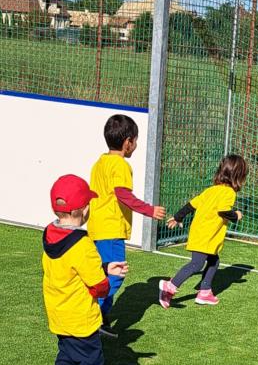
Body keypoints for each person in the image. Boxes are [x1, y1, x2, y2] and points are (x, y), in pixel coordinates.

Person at [42, 174, 128, 365]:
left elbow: (74, 267)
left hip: (58, 312)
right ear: (83, 210)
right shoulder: (83, 243)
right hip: (80, 316)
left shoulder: (50, 234)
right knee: (92, 358)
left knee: (67, 354)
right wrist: (106, 280)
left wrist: (105, 266)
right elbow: (98, 285)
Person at [87, 114, 165, 337]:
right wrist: (149, 210)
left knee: (102, 272)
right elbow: (123, 195)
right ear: (128, 142)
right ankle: (92, 317)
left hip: (96, 228)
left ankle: (99, 319)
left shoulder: (99, 163)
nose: (136, 145)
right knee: (116, 275)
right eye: (136, 141)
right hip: (111, 230)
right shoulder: (120, 165)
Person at [159, 154, 248, 308]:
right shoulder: (229, 193)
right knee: (196, 264)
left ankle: (205, 292)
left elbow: (191, 205)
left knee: (214, 261)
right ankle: (169, 286)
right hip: (206, 235)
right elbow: (223, 211)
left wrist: (178, 217)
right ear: (238, 176)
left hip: (203, 233)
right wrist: (236, 215)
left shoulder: (211, 190)